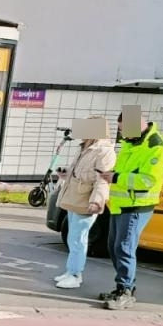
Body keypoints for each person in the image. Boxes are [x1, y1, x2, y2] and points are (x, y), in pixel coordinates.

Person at [101, 113, 163, 310]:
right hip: (120, 204)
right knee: (114, 247)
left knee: (124, 248)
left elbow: (148, 180)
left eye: (123, 129)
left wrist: (116, 178)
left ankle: (125, 291)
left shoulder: (155, 146)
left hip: (136, 205)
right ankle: (122, 288)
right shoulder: (131, 143)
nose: (121, 133)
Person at [53, 117, 116, 290]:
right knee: (73, 238)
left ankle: (74, 274)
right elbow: (81, 172)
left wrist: (97, 201)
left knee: (78, 239)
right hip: (75, 198)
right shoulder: (86, 148)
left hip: (85, 200)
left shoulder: (104, 151)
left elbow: (102, 180)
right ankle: (70, 271)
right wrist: (65, 173)